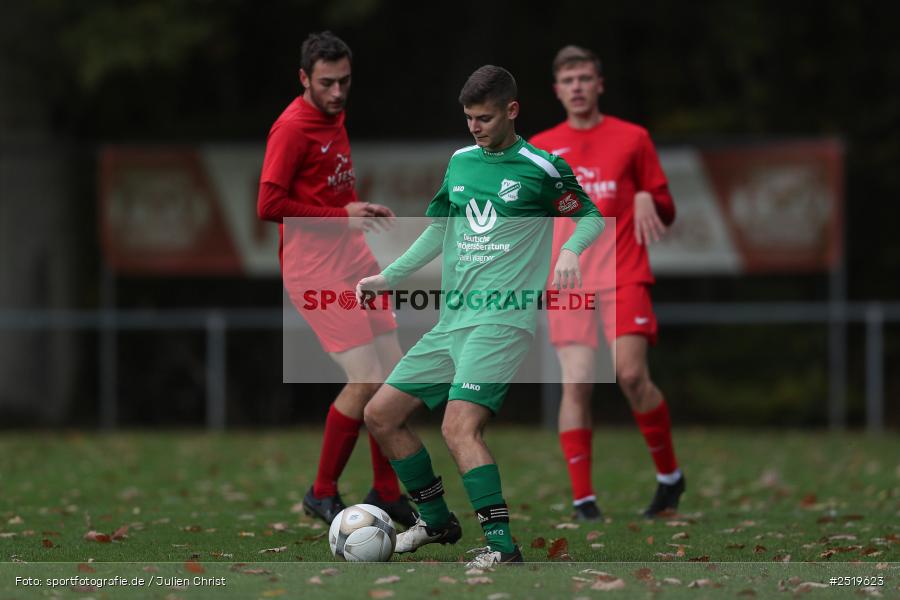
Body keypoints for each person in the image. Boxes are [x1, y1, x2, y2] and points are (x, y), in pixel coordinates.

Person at [357, 65, 605, 567]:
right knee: (380, 415)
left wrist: (571, 251)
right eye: (469, 117)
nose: (475, 126)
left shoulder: (541, 167)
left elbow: (590, 216)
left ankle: (502, 549)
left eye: (485, 117)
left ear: (512, 110)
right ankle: (436, 520)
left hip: (502, 323)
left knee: (458, 428)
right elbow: (439, 229)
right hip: (450, 325)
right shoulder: (461, 162)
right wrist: (390, 277)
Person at [257, 31, 415, 528]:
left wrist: (353, 211)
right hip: (314, 268)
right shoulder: (291, 128)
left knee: (394, 377)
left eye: (345, 81)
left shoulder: (335, 113)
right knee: (366, 378)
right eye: (326, 83)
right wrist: (338, 216)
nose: (338, 92)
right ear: (304, 78)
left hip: (353, 255)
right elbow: (268, 206)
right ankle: (320, 492)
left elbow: (330, 190)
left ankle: (386, 493)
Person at [530, 45, 685, 521]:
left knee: (631, 375)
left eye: (584, 78)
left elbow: (665, 207)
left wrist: (646, 197)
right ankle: (583, 502)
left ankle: (669, 477)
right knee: (576, 382)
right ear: (557, 90)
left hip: (623, 271)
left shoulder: (633, 138)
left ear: (599, 84)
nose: (577, 87)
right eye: (568, 80)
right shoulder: (538, 148)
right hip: (568, 279)